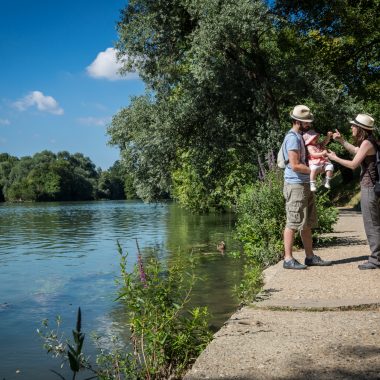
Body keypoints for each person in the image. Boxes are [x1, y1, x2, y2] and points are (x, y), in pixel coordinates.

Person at [326, 113, 380, 270]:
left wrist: (334, 158)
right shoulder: (369, 141)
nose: (351, 127)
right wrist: (341, 141)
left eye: (353, 125)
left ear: (360, 128)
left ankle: (375, 259)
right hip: (371, 187)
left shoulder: (367, 143)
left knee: (372, 224)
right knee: (375, 222)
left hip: (369, 188)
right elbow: (356, 150)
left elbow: (353, 165)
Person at [282, 105, 332, 269]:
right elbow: (295, 165)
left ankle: (310, 257)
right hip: (295, 184)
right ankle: (288, 259)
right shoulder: (292, 138)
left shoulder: (300, 136)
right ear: (297, 121)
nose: (309, 125)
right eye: (306, 122)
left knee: (306, 223)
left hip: (303, 184)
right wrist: (315, 171)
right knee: (292, 222)